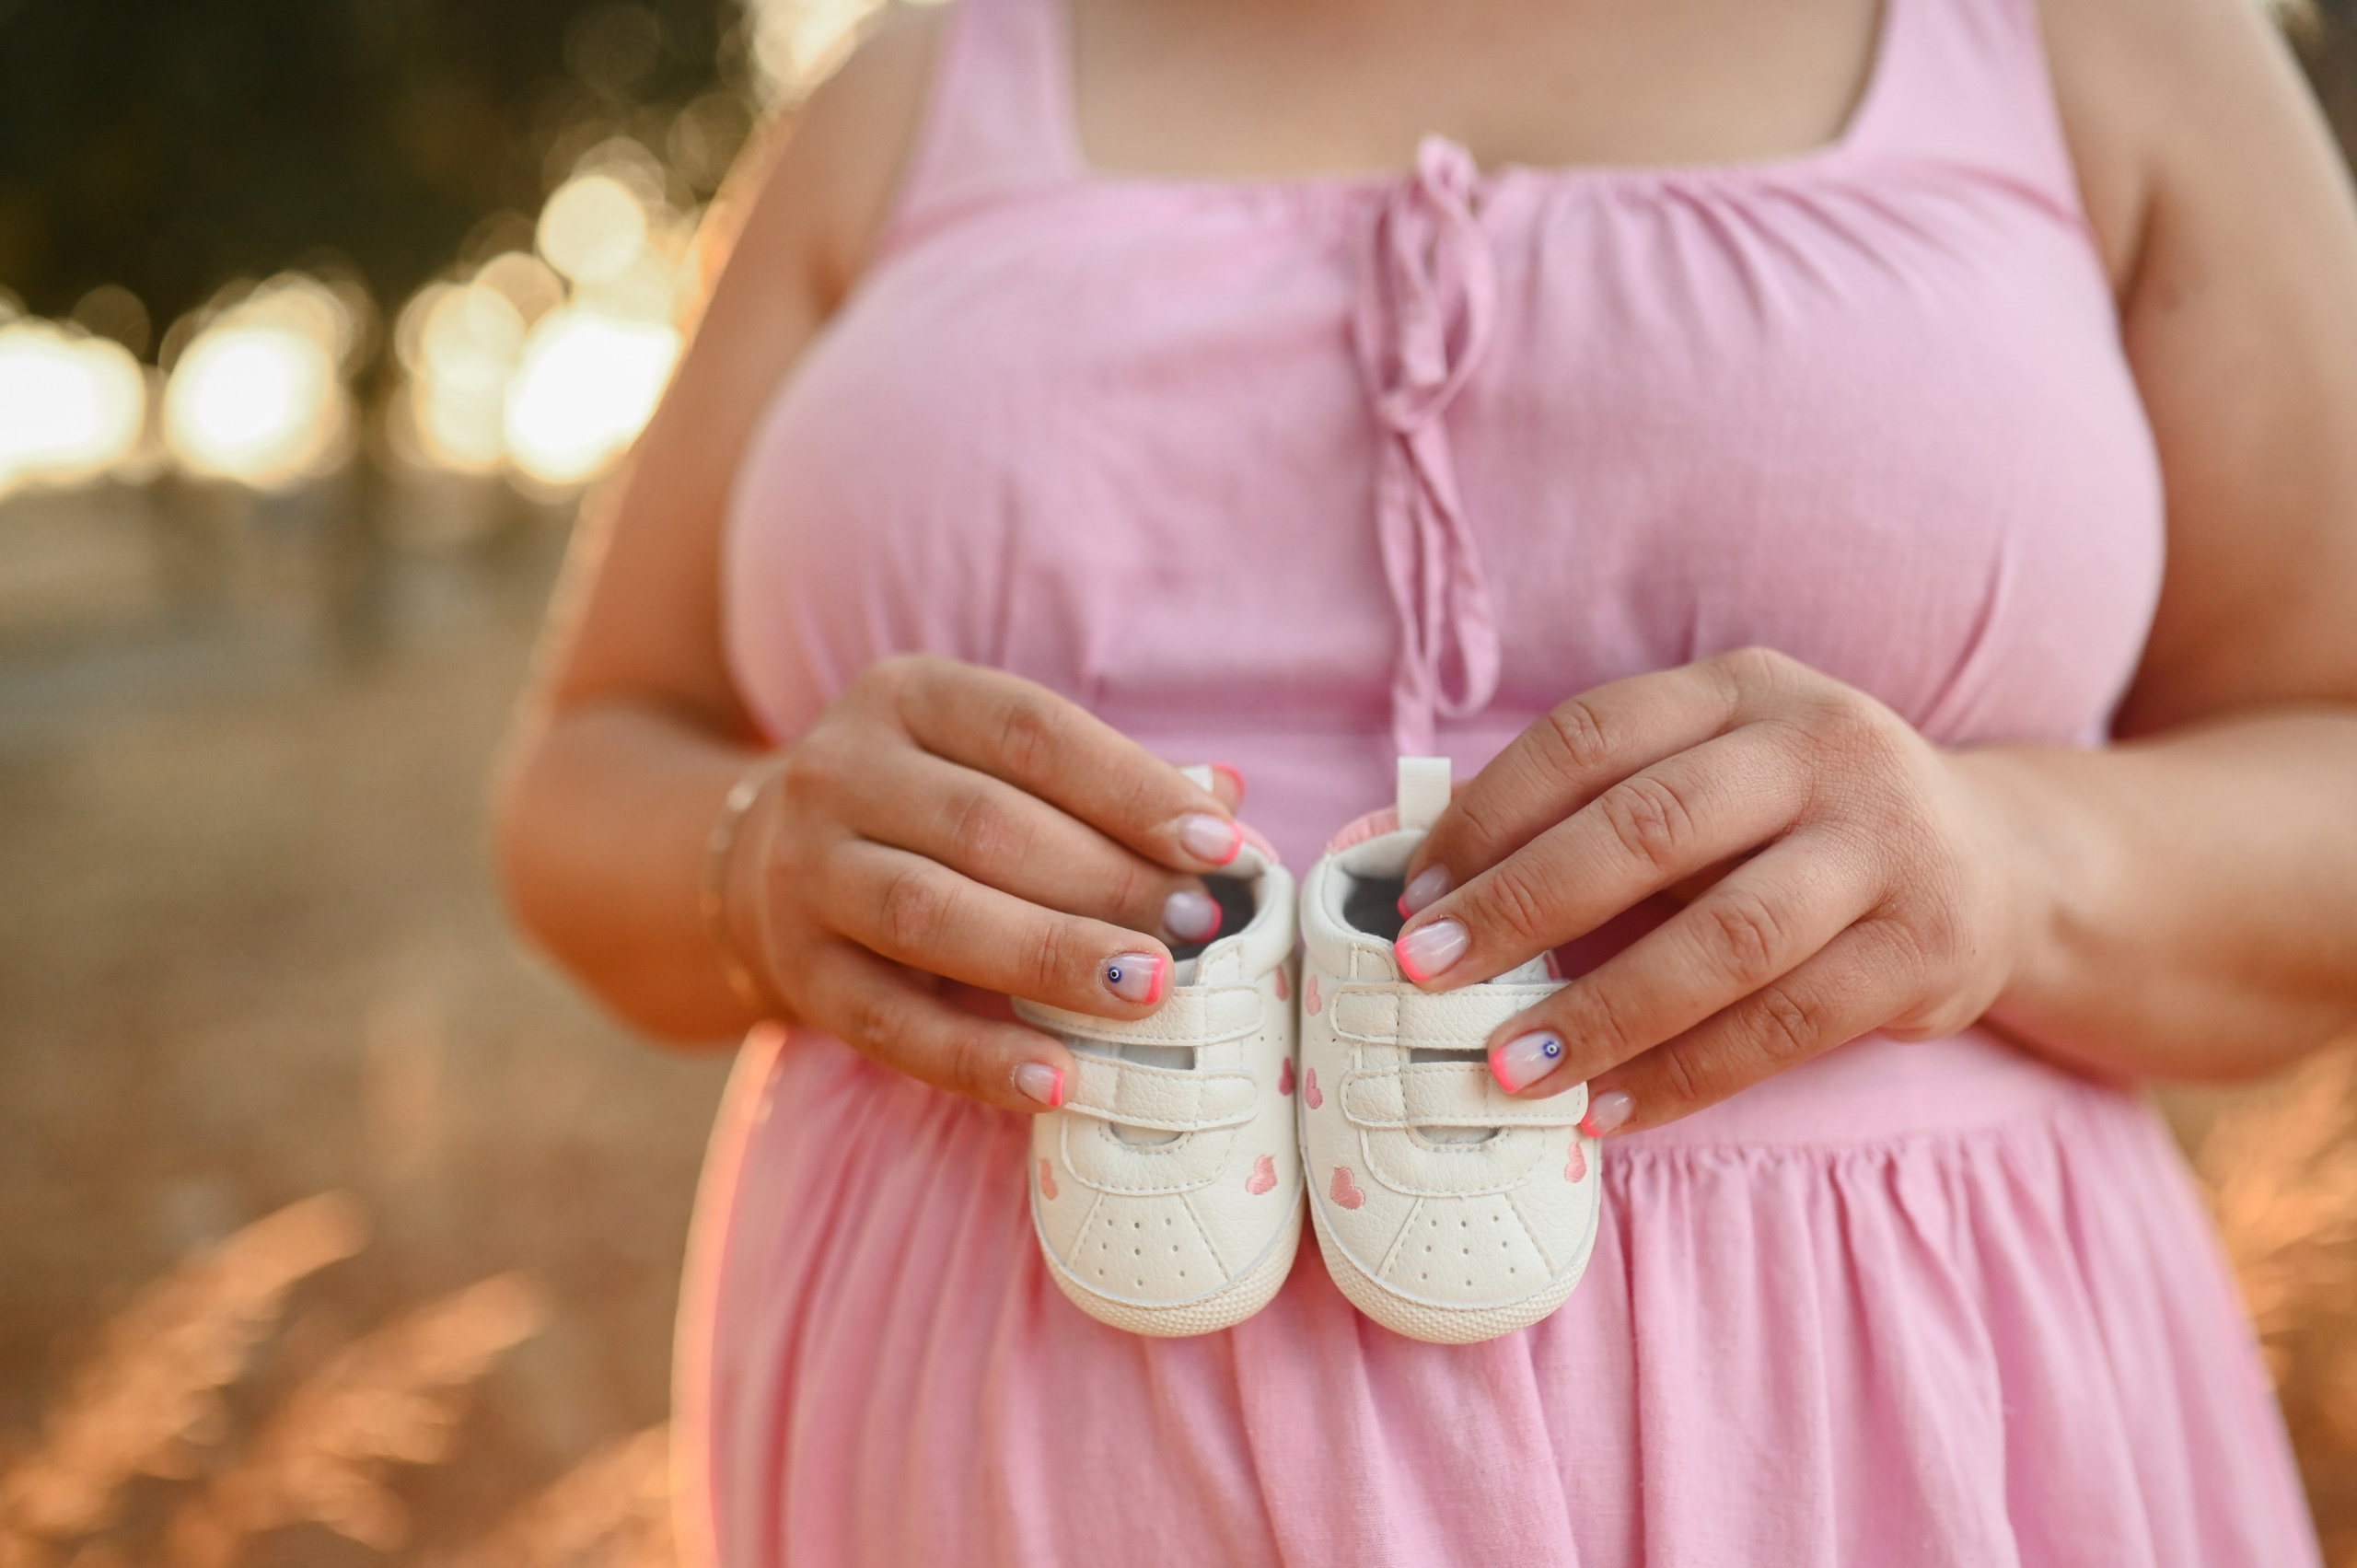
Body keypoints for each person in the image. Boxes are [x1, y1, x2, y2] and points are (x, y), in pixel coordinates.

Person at [495, 0, 2357, 1556]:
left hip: (1877, 1440)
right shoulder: (909, 86)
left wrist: (2007, 860)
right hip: (974, 1454)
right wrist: (751, 863)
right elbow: (585, 773)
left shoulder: (2103, 44)